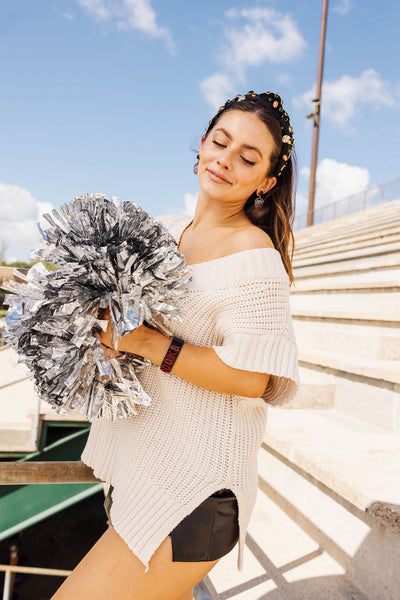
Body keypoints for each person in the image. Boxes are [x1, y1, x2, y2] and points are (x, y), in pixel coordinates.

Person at [52, 91, 299, 600]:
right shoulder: (163, 233)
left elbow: (252, 378)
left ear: (266, 182)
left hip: (194, 495)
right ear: (201, 147)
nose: (227, 160)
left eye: (248, 158)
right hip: (144, 471)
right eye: (221, 142)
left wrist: (149, 343)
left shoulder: (254, 255)